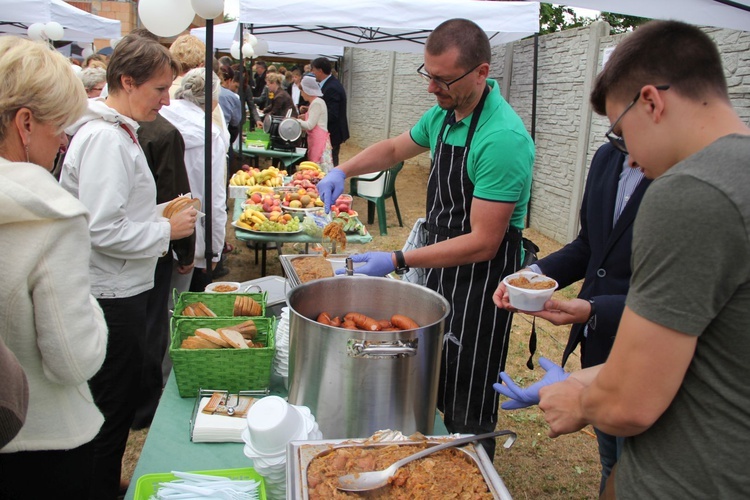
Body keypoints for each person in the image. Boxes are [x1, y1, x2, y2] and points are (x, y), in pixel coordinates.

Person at [499, 20, 750, 498]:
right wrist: (586, 377)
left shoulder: (690, 191)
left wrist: (577, 395)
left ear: (652, 102)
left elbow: (630, 405)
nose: (627, 157)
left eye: (620, 132)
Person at [316, 18, 534, 459]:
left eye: (443, 80)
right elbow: (396, 149)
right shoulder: (445, 113)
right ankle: (425, 459)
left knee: (466, 393)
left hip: (481, 283)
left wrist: (399, 258)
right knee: (428, 372)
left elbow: (483, 242)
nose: (432, 89)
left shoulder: (502, 139)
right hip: (439, 269)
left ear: (481, 72)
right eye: (428, 76)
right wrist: (344, 169)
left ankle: (471, 464)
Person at [59, 33, 197, 499]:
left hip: (121, 286)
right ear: (126, 81)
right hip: (111, 294)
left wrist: (158, 214)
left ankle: (100, 479)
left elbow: (114, 215)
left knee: (113, 401)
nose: (166, 99)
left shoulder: (117, 132)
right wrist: (166, 231)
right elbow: (100, 229)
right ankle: (96, 486)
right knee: (110, 404)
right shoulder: (104, 139)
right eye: (159, 89)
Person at [493, 142, 650, 493]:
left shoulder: (688, 181)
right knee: (611, 463)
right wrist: (532, 275)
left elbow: (672, 300)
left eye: (623, 130)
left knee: (635, 474)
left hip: (650, 360)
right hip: (599, 349)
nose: (628, 151)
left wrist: (595, 309)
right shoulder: (609, 157)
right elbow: (589, 246)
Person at [0, 36, 108, 497]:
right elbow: (72, 358)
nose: (64, 140)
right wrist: (95, 310)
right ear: (25, 122)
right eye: (58, 126)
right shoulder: (50, 213)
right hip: (44, 438)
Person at [160, 68, 228, 293]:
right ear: (213, 98)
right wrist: (215, 249)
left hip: (154, 225)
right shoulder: (211, 135)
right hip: (192, 229)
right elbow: (215, 198)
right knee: (182, 302)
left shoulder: (158, 119)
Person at [310, 57, 349, 166]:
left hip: (333, 132)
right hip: (331, 131)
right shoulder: (328, 85)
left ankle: (333, 180)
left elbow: (332, 114)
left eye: (313, 70)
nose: (313, 73)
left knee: (331, 161)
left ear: (320, 70)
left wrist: (313, 118)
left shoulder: (332, 87)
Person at [296, 75, 333, 171]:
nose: (301, 94)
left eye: (301, 91)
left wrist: (296, 121)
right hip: (316, 139)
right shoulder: (316, 102)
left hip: (319, 141)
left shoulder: (316, 103)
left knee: (318, 169)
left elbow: (309, 125)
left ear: (306, 90)